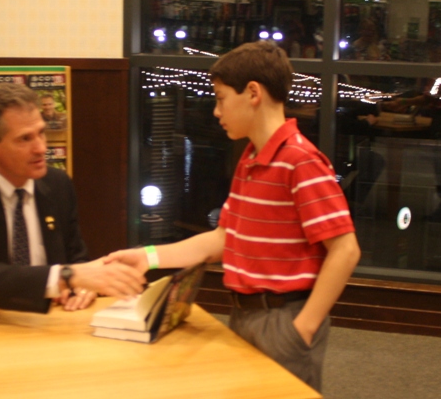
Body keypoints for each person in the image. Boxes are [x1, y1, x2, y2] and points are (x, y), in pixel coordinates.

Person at [106, 41, 360, 393]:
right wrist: (147, 257)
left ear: (253, 93)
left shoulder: (301, 160)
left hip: (283, 317)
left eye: (221, 98)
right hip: (246, 313)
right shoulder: (251, 157)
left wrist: (303, 327)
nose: (216, 110)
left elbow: (345, 250)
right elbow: (224, 239)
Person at [0, 83, 145, 313]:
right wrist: (67, 277)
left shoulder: (57, 185)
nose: (40, 148)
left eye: (41, 132)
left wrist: (82, 286)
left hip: (46, 321)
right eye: (24, 139)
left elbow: (76, 257)